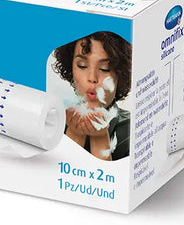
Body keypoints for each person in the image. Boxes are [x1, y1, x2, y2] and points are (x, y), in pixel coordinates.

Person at [52, 31, 131, 161]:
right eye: (82, 66)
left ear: (120, 74)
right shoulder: (55, 121)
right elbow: (56, 172)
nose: (92, 78)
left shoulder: (132, 129)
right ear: (71, 68)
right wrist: (74, 134)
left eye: (105, 68)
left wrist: (100, 138)